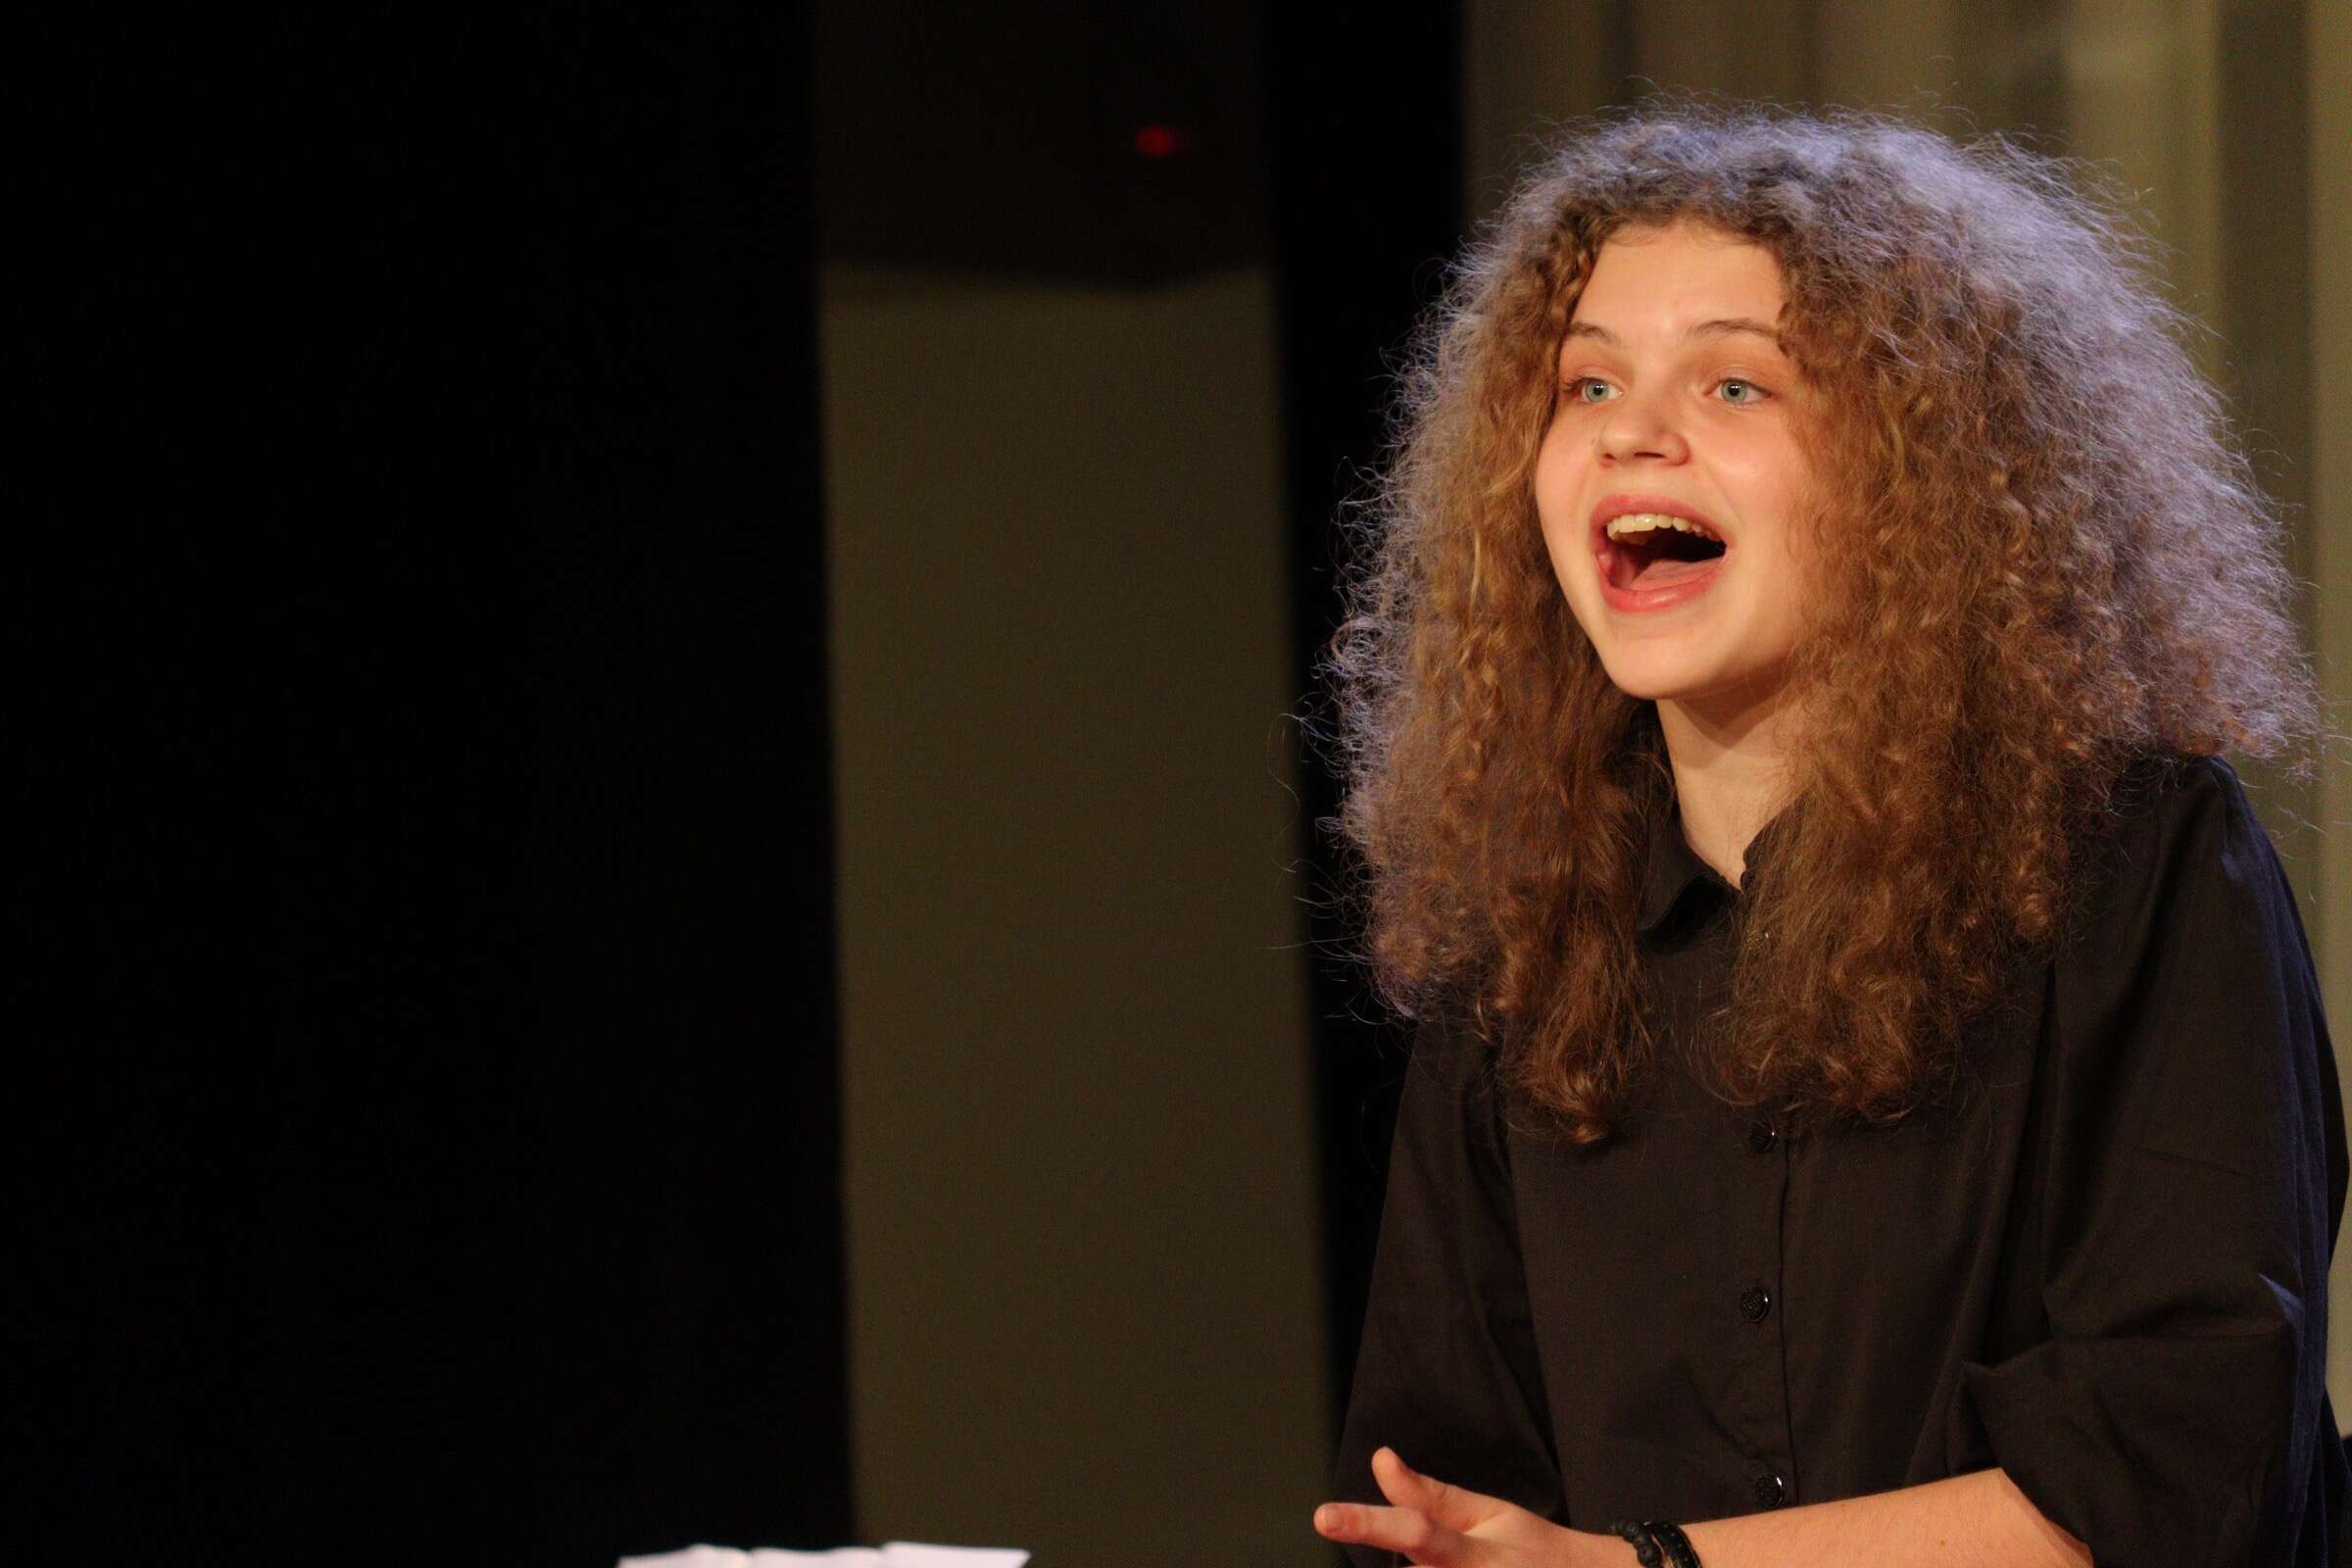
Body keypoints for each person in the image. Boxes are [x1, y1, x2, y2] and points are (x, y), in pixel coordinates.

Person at [1306, 102, 2348, 1567]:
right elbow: (1442, 1488)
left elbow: (2183, 1466)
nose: (1633, 433)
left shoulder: (2133, 862)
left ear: (1923, 473)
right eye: (1586, 384)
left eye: (1736, 384)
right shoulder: (1524, 937)